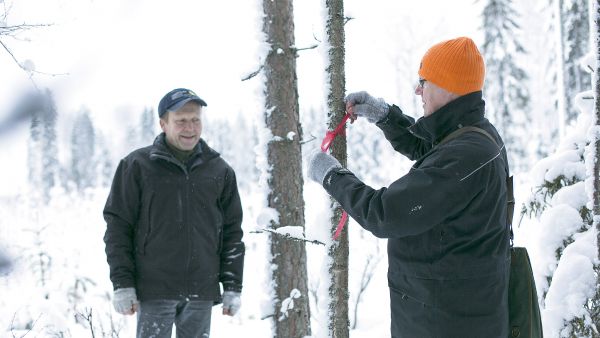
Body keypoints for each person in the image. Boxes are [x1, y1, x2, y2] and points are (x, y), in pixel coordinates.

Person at [307, 37, 510, 337]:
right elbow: (431, 150)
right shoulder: (476, 135)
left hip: (450, 324)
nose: (417, 89)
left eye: (423, 81)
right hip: (453, 315)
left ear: (448, 86)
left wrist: (331, 176)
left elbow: (384, 213)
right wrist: (385, 116)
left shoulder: (468, 155)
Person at [103, 88, 245, 338]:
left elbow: (232, 231)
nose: (190, 128)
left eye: (195, 120)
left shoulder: (219, 170)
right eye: (181, 121)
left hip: (202, 289)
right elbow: (118, 227)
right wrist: (122, 284)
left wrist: (233, 285)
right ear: (163, 123)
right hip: (155, 289)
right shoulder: (137, 166)